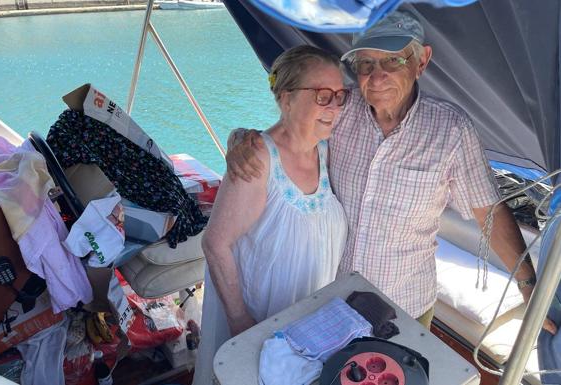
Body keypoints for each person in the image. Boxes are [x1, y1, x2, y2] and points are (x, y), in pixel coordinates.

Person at [226, 10, 557, 334]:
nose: (377, 76)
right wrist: (244, 138)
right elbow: (291, 131)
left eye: (392, 61)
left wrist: (528, 286)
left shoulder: (451, 130)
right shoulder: (341, 109)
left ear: (421, 61)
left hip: (405, 306)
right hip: (332, 296)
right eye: (366, 64)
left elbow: (489, 212)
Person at [192, 45, 349, 385]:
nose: (335, 107)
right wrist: (241, 324)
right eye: (323, 95)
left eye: (340, 95)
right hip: (262, 321)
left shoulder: (326, 151)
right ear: (286, 98)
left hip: (309, 319)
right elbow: (215, 243)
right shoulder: (258, 160)